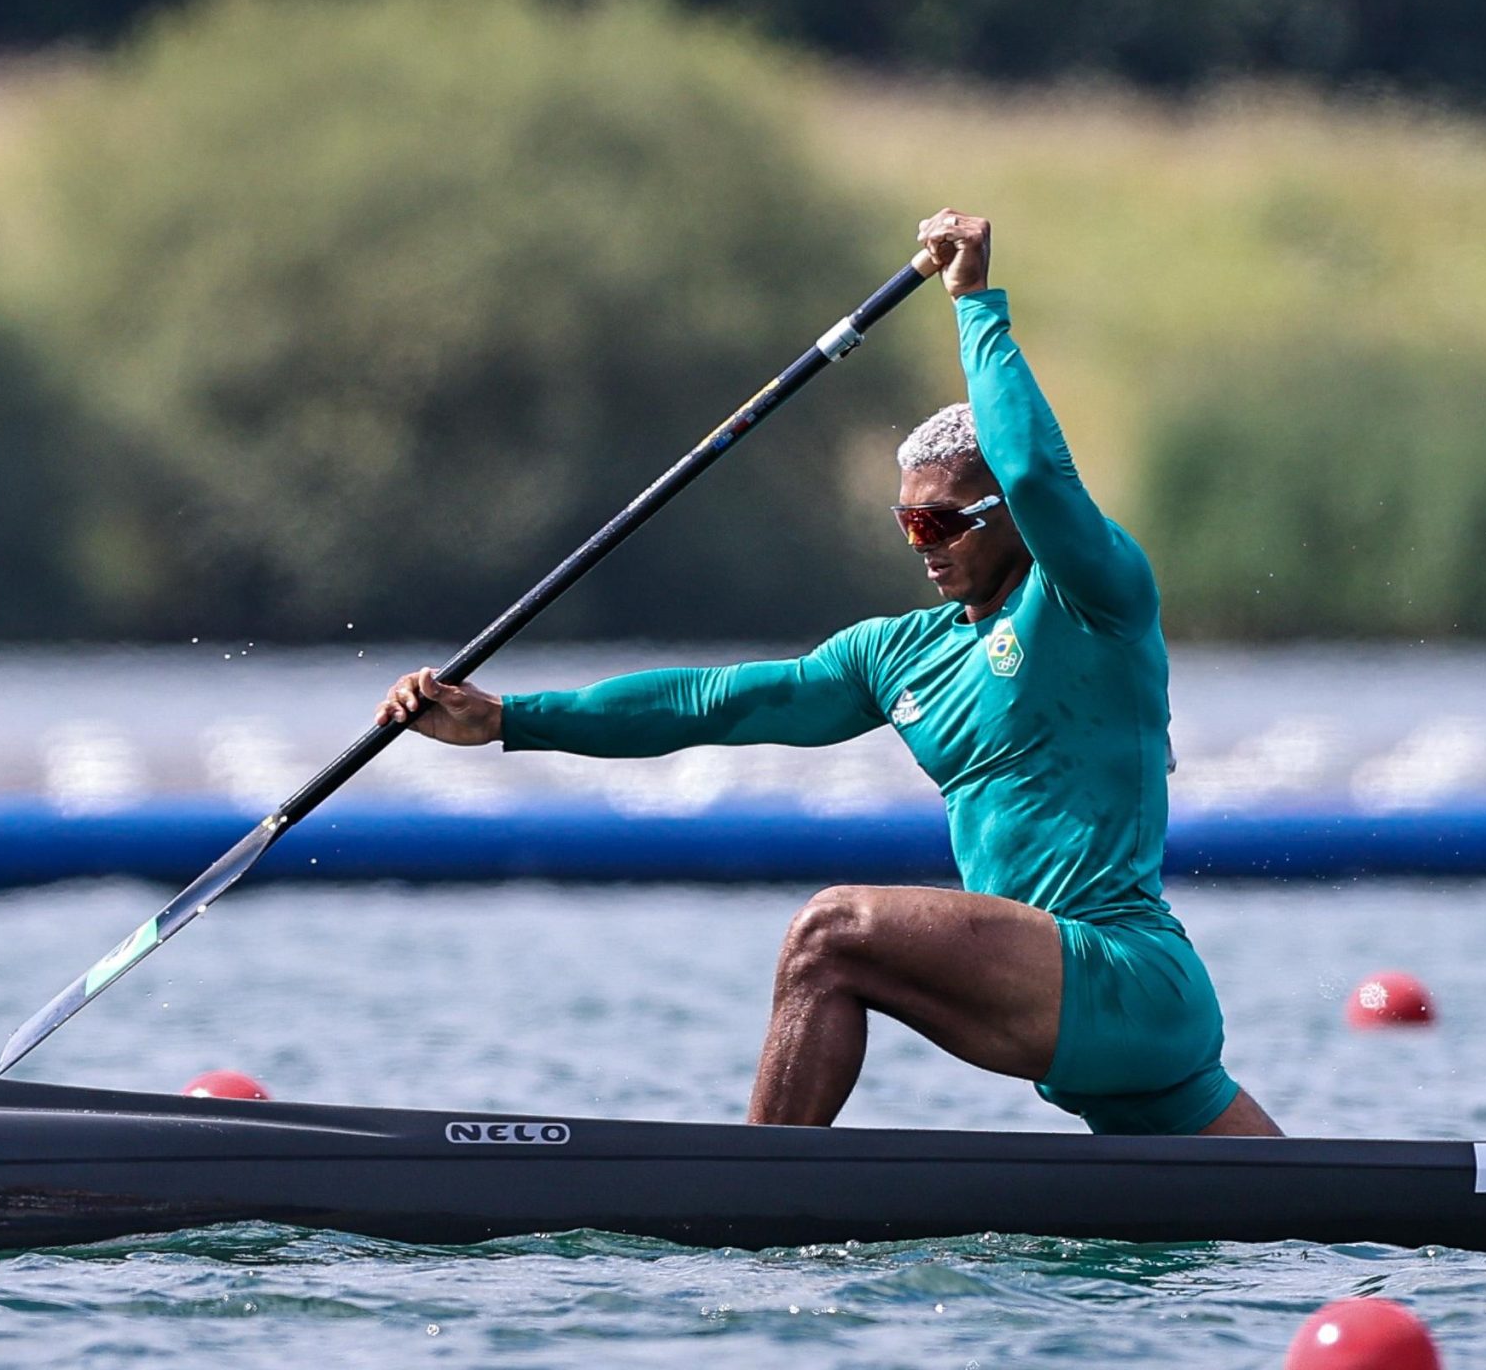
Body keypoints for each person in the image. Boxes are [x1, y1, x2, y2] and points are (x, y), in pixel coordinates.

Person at [378, 209, 1282, 1137]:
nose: (920, 546)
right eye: (906, 525)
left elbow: (1042, 476)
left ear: (1007, 516)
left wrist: (974, 303)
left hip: (1120, 973)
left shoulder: (1094, 598)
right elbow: (710, 705)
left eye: (942, 523)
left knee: (830, 935)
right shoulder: (896, 655)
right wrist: (510, 720)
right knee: (1308, 1226)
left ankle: (752, 1194)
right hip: (1089, 1030)